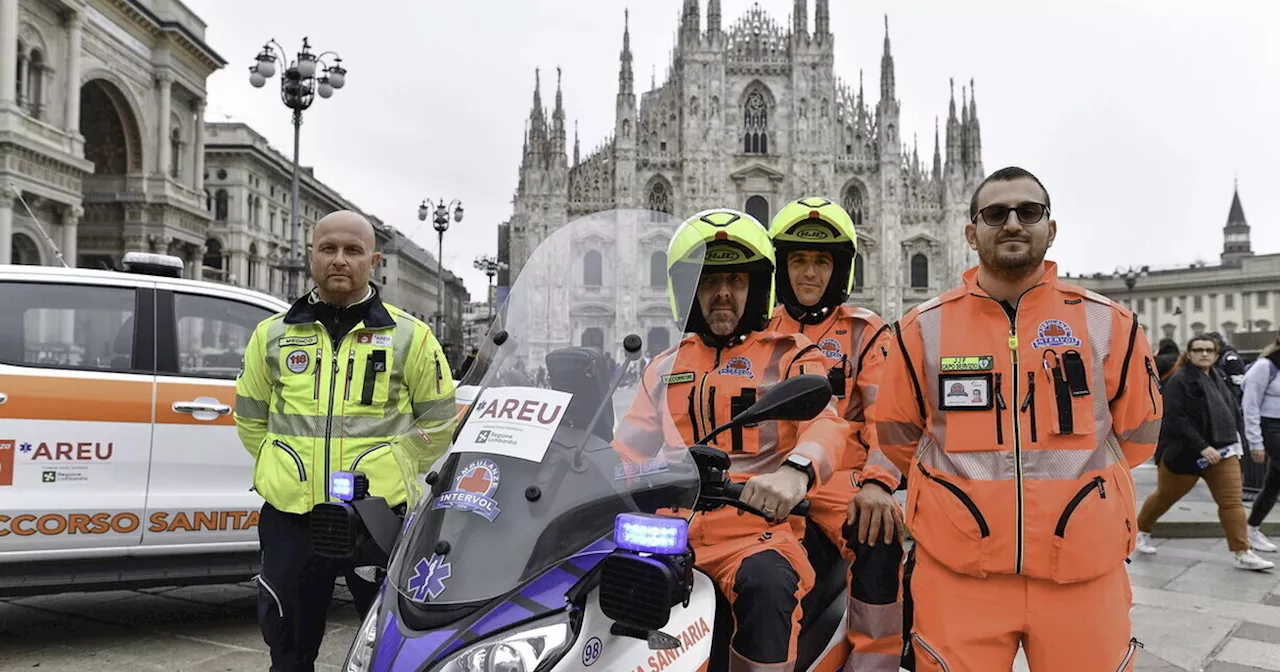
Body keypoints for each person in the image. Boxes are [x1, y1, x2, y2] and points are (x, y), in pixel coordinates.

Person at [870, 166, 1164, 671]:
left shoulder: (1109, 323)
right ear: (970, 232)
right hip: (960, 572)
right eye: (995, 213)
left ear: (1051, 229)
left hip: (1082, 569)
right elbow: (898, 436)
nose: (1012, 223)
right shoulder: (923, 329)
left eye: (1029, 212)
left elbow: (1140, 437)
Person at [614, 208, 849, 671]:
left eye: (737, 281)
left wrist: (795, 471)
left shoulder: (790, 354)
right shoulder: (663, 366)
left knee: (768, 587)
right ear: (689, 291)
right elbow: (626, 450)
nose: (722, 293)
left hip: (755, 530)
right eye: (707, 281)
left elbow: (826, 421)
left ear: (756, 289)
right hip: (673, 531)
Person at [234, 210, 457, 672]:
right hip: (292, 518)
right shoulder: (272, 336)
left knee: (390, 648)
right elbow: (251, 418)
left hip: (376, 518)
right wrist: (285, 467)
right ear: (310, 254)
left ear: (372, 260)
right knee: (287, 648)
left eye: (353, 251)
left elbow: (438, 422)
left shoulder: (410, 337)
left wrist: (396, 460)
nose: (340, 260)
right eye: (329, 248)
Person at [765, 196, 904, 670]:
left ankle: (874, 661)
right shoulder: (761, 332)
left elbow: (891, 418)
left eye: (821, 261)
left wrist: (877, 483)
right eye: (798, 260)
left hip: (840, 480)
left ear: (839, 269)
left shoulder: (867, 333)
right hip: (766, 476)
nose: (809, 273)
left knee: (880, 541)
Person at [1133, 336, 1276, 569]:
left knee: (1231, 503)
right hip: (1185, 455)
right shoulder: (1179, 380)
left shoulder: (1217, 377)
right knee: (1164, 497)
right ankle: (1141, 529)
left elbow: (1230, 410)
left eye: (1209, 350)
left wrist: (1235, 440)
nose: (1204, 354)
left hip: (1224, 450)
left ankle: (1242, 551)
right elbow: (1176, 419)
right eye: (1198, 350)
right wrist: (1202, 446)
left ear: (1216, 354)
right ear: (1188, 354)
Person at [1242, 336, 1280, 552]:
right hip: (1271, 427)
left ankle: (1251, 530)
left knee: (1273, 485)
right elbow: (1250, 404)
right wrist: (1255, 442)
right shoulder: (1266, 366)